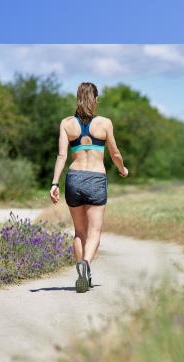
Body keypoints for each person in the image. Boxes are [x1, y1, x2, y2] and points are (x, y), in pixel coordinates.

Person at [49, 82, 128, 293]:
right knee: (94, 232)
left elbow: (62, 156)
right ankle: (86, 264)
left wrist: (54, 183)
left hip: (74, 178)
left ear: (77, 98)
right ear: (96, 99)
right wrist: (123, 169)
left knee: (79, 231)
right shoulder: (104, 123)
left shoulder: (66, 124)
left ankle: (81, 272)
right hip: (96, 178)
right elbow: (115, 153)